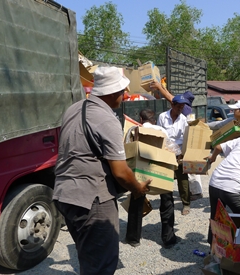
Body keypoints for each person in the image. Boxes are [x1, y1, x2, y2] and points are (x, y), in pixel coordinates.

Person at [53, 66, 151, 275]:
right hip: (92, 199)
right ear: (114, 93)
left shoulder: (74, 108)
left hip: (64, 194)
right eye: (122, 92)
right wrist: (138, 189)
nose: (124, 96)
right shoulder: (107, 120)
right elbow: (121, 173)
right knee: (102, 264)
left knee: (88, 255)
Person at [126, 109, 180, 249]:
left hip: (141, 173)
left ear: (140, 118)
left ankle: (133, 238)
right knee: (167, 202)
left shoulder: (134, 130)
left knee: (136, 201)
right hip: (161, 173)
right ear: (154, 120)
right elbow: (170, 149)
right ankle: (168, 238)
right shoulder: (162, 131)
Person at [207, 100, 240, 209]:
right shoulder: (232, 120)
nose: (233, 111)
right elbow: (218, 124)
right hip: (233, 157)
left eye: (235, 109)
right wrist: (203, 125)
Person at [157, 94, 191, 215]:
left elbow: (186, 138)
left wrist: (182, 154)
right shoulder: (162, 117)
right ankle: (167, 203)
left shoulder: (184, 119)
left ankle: (186, 203)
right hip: (166, 152)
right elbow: (159, 133)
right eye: (178, 107)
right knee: (166, 178)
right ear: (172, 105)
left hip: (179, 153)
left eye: (182, 107)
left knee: (183, 181)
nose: (180, 109)